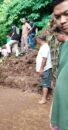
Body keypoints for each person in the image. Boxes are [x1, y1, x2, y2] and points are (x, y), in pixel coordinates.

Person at [51, 0, 68, 129]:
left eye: (67, 13)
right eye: (57, 17)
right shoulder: (63, 47)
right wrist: (54, 113)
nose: (62, 21)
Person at [36, 35, 52, 104]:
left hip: (45, 68)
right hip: (44, 68)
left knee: (45, 84)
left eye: (37, 39)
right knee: (44, 83)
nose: (36, 41)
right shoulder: (43, 46)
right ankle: (46, 97)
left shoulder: (45, 47)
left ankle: (44, 99)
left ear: (40, 39)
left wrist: (41, 69)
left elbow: (44, 59)